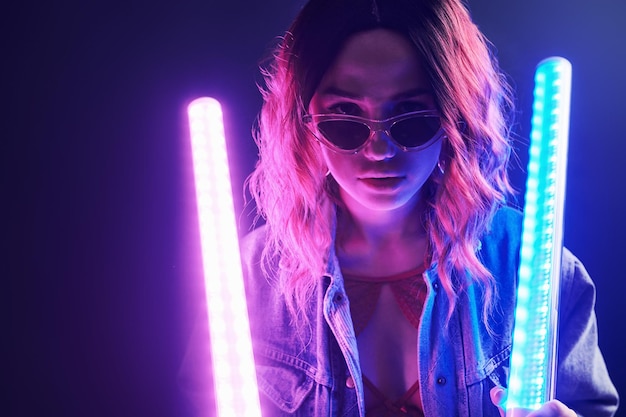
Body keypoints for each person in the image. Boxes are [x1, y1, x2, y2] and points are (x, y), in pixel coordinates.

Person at [181, 0, 619, 416]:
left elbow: (589, 407)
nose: (379, 150)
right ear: (304, 120)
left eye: (412, 117)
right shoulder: (247, 281)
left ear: (456, 116)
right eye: (345, 119)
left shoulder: (533, 268)